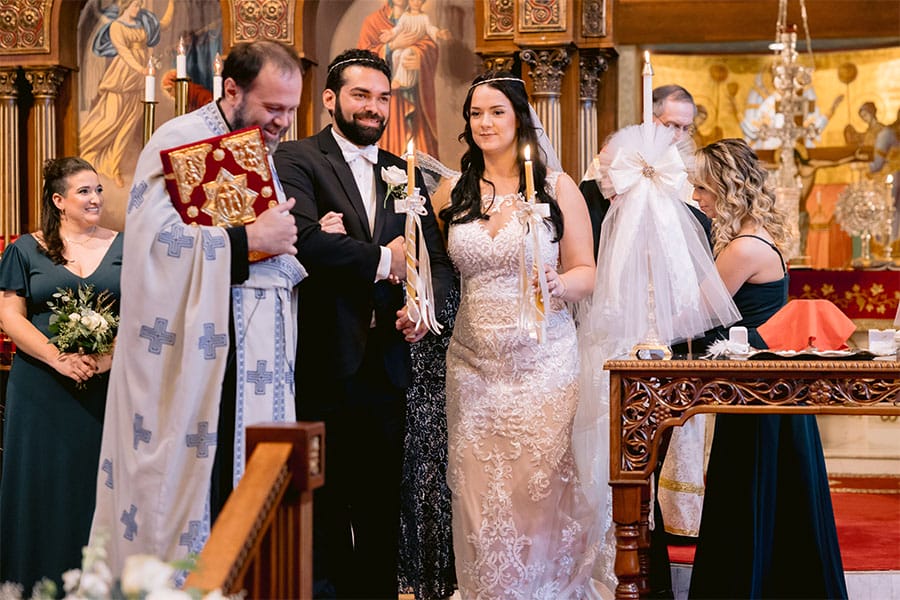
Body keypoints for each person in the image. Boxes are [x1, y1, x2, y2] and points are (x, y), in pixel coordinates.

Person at [89, 40, 305, 574]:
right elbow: (152, 248)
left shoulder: (255, 150)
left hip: (251, 356)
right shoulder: (180, 140)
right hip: (192, 363)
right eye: (273, 108)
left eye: (292, 111)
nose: (283, 122)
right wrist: (251, 236)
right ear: (232, 90)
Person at [273, 49, 453, 599]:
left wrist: (425, 307)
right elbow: (302, 240)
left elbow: (438, 262)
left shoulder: (406, 171)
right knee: (323, 500)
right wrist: (384, 258)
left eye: (382, 98)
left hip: (388, 364)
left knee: (380, 502)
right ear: (330, 99)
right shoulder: (296, 158)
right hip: (324, 360)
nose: (374, 108)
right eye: (360, 95)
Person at [437, 72, 600, 597]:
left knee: (536, 490)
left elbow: (586, 271)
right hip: (472, 364)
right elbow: (435, 270)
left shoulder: (557, 187)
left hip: (543, 363)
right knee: (477, 493)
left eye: (496, 112)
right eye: (475, 114)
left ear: (520, 118)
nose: (484, 123)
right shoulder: (450, 191)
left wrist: (559, 283)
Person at [688, 138, 847, 599]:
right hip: (771, 381)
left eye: (702, 189)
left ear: (726, 187)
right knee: (781, 488)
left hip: (756, 385)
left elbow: (698, 315)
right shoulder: (760, 237)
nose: (697, 199)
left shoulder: (742, 249)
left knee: (749, 487)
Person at [0, 157, 123, 591]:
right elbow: (10, 316)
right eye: (84, 192)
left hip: (108, 385)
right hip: (40, 386)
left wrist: (107, 358)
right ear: (59, 200)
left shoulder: (125, 246)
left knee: (99, 485)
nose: (95, 199)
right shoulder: (25, 249)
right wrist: (57, 357)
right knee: (41, 485)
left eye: (98, 191)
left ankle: (101, 585)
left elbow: (148, 312)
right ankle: (33, 582)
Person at [580, 84, 711, 255]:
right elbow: (591, 222)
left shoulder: (686, 166)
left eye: (686, 128)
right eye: (672, 126)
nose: (679, 136)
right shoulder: (616, 161)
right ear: (649, 117)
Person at [80, 0, 174, 187]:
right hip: (122, 78)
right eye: (135, 5)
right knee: (110, 120)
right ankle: (84, 151)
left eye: (139, 5)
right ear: (125, 6)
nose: (138, 9)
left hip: (139, 82)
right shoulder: (116, 27)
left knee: (127, 127)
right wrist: (141, 69)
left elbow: (163, 24)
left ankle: (114, 168)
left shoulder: (142, 24)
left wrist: (172, 3)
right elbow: (124, 52)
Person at [358, 0, 441, 158]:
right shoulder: (373, 21)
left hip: (415, 97)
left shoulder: (420, 19)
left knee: (418, 150)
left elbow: (430, 47)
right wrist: (391, 46)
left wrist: (420, 57)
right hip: (387, 99)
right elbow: (361, 60)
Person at [378, 0, 450, 90]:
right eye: (413, 0)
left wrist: (438, 33)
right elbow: (398, 28)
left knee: (406, 54)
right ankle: (396, 77)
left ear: (423, 2)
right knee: (396, 54)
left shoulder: (424, 17)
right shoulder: (405, 16)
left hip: (416, 45)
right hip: (404, 45)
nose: (416, 3)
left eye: (419, 0)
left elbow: (430, 29)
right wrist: (390, 34)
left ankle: (404, 81)